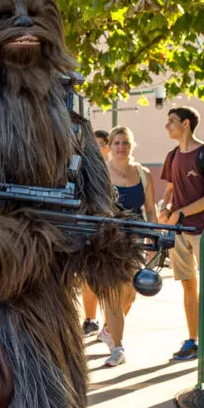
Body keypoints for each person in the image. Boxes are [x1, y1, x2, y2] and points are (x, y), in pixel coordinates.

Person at [159, 106, 204, 361]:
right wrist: (165, 209)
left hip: (203, 231)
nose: (167, 127)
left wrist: (181, 213)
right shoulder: (172, 155)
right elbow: (170, 190)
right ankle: (192, 341)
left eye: (171, 122)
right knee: (188, 287)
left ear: (186, 124)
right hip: (178, 232)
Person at [97, 126, 158, 367]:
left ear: (131, 146)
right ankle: (118, 348)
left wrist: (155, 236)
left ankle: (107, 330)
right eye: (117, 143)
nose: (121, 147)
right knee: (114, 290)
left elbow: (151, 209)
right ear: (110, 146)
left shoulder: (142, 174)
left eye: (126, 143)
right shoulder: (102, 173)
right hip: (110, 239)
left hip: (137, 239)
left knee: (130, 293)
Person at [81, 129, 112, 336]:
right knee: (88, 278)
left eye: (101, 143)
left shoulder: (113, 169)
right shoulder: (84, 167)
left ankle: (110, 328)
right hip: (88, 227)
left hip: (112, 230)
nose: (97, 147)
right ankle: (90, 320)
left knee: (114, 283)